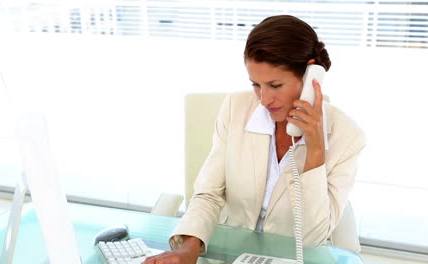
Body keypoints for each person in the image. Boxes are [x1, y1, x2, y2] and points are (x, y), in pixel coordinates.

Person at [143, 15, 365, 264]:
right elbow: (209, 194)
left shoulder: (347, 137)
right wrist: (187, 250)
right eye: (256, 84)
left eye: (275, 85)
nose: (264, 99)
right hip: (227, 255)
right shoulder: (235, 108)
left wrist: (315, 151)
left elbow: (311, 237)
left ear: (311, 75)